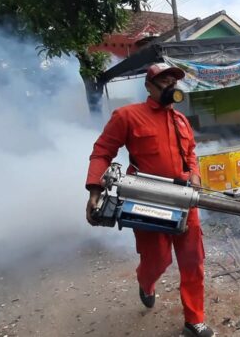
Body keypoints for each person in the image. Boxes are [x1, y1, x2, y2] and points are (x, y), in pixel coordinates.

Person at [84, 63, 215, 337]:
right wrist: (95, 190)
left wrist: (194, 175)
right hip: (147, 200)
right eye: (163, 81)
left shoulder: (181, 120)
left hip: (183, 199)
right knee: (158, 260)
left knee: (193, 261)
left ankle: (194, 320)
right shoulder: (128, 116)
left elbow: (190, 153)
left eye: (173, 80)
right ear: (149, 86)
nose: (170, 85)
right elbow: (102, 151)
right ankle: (146, 282)